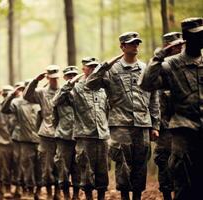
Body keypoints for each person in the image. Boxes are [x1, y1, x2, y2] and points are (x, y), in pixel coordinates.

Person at [86, 32, 160, 200]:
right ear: (122, 47)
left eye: (137, 43)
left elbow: (154, 98)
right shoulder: (112, 70)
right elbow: (90, 84)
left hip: (142, 124)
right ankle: (125, 197)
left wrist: (155, 125)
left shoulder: (145, 69)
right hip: (120, 124)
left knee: (140, 164)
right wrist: (105, 65)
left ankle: (136, 197)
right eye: (131, 43)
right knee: (123, 163)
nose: (135, 46)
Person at [139, 17, 203, 200]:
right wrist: (158, 56)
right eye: (196, 35)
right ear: (186, 38)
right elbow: (146, 84)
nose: (201, 39)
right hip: (184, 131)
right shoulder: (171, 65)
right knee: (183, 183)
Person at [54, 58, 111, 200]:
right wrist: (71, 82)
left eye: (95, 67)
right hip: (85, 136)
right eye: (89, 67)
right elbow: (56, 101)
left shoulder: (103, 89)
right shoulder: (76, 88)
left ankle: (101, 197)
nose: (92, 70)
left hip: (102, 136)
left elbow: (108, 111)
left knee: (103, 171)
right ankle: (87, 197)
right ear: (84, 69)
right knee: (86, 171)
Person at [152, 32, 185, 200]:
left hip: (187, 125)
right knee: (164, 162)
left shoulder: (190, 65)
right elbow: (152, 99)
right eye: (174, 46)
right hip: (165, 127)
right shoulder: (159, 69)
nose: (178, 48)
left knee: (186, 165)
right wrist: (154, 126)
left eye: (180, 45)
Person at [23, 65, 61, 199]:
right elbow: (26, 96)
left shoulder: (64, 90)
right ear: (48, 78)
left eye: (56, 78)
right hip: (46, 134)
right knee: (46, 167)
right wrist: (35, 81)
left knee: (60, 167)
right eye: (52, 78)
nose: (54, 80)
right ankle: (49, 193)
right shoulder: (41, 92)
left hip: (62, 135)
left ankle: (58, 192)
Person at [2, 80, 41, 198]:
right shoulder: (17, 102)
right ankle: (25, 189)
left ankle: (38, 191)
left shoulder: (40, 101)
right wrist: (11, 95)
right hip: (23, 140)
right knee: (25, 165)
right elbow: (4, 109)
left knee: (39, 167)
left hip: (41, 138)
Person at [52, 66, 80, 200]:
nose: (72, 77)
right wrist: (68, 86)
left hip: (80, 135)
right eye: (69, 75)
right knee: (63, 167)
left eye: (74, 75)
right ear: (65, 78)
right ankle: (66, 195)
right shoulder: (60, 92)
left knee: (78, 167)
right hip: (64, 136)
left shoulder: (82, 91)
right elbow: (54, 103)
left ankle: (75, 195)